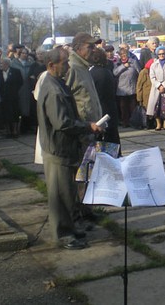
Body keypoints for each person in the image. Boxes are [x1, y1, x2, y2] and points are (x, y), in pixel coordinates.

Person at [36, 47, 103, 250]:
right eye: (64, 63)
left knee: (68, 192)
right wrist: (87, 126)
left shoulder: (58, 83)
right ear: (51, 65)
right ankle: (63, 234)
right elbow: (62, 123)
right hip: (58, 149)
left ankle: (70, 228)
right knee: (60, 193)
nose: (67, 66)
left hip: (65, 147)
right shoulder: (53, 89)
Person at [89, 48, 121, 150]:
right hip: (110, 109)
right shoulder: (106, 71)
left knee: (103, 142)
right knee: (112, 139)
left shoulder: (92, 73)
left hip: (101, 110)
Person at [147, 46, 165, 131]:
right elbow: (152, 77)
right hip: (156, 88)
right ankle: (158, 124)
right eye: (160, 54)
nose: (161, 55)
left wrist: (164, 85)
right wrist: (159, 85)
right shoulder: (153, 65)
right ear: (157, 55)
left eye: (163, 54)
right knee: (156, 106)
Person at [113, 47, 140, 127]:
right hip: (122, 89)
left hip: (132, 88)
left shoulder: (133, 62)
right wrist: (124, 66)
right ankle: (125, 122)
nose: (124, 56)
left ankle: (134, 122)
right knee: (123, 107)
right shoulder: (117, 63)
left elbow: (139, 71)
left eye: (125, 54)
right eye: (122, 55)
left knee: (133, 107)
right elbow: (115, 73)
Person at [0, 57, 23, 137]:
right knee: (5, 113)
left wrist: (14, 90)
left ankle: (15, 130)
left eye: (2, 63)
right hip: (3, 96)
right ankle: (8, 131)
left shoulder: (16, 71)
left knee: (15, 113)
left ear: (7, 64)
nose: (1, 65)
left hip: (13, 96)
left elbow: (20, 82)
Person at [11, 47, 34, 134]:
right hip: (17, 88)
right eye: (23, 53)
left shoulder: (30, 64)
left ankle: (26, 127)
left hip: (27, 88)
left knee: (27, 107)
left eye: (26, 53)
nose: (24, 55)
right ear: (19, 54)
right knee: (18, 107)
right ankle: (16, 128)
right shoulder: (14, 63)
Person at [136, 58, 155, 129]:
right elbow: (139, 86)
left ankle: (152, 123)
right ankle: (147, 124)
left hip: (153, 93)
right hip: (146, 95)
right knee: (146, 110)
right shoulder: (143, 72)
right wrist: (139, 98)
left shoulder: (154, 71)